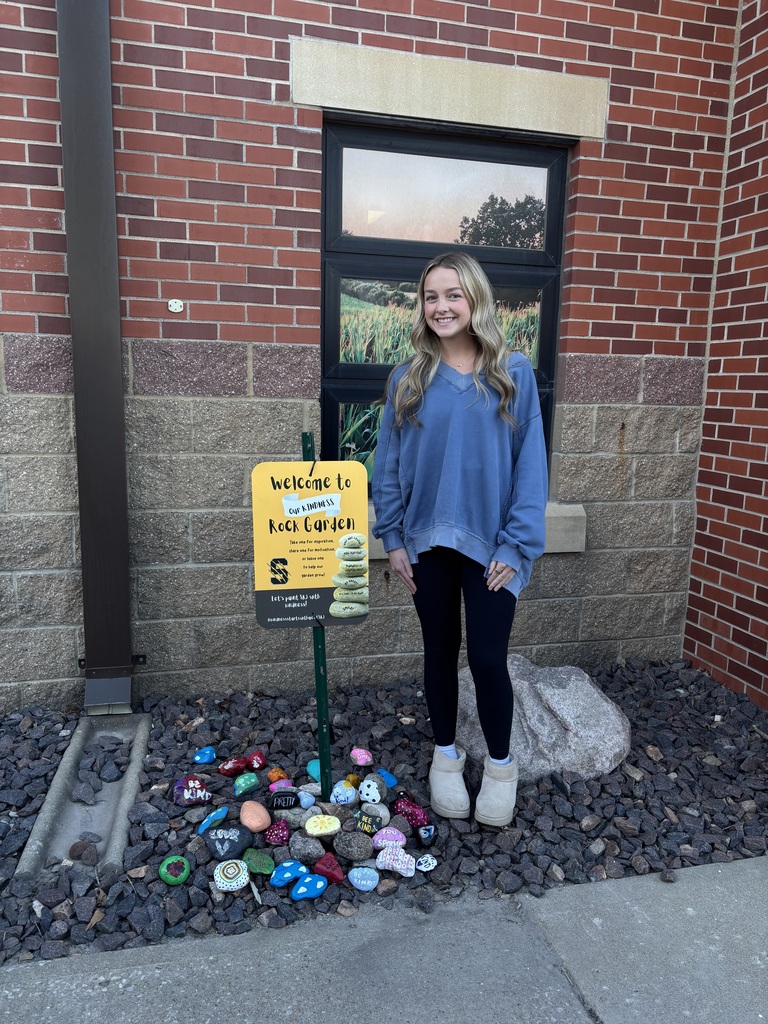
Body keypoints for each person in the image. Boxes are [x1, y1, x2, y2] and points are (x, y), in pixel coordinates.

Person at [372, 251, 548, 827]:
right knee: (440, 652)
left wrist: (516, 543)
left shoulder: (512, 372)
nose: (441, 306)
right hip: (425, 543)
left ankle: (501, 766)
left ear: (475, 299)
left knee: (489, 658)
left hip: (493, 545)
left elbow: (530, 468)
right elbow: (389, 466)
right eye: (430, 296)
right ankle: (444, 758)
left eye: (452, 294)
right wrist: (392, 538)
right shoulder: (408, 379)